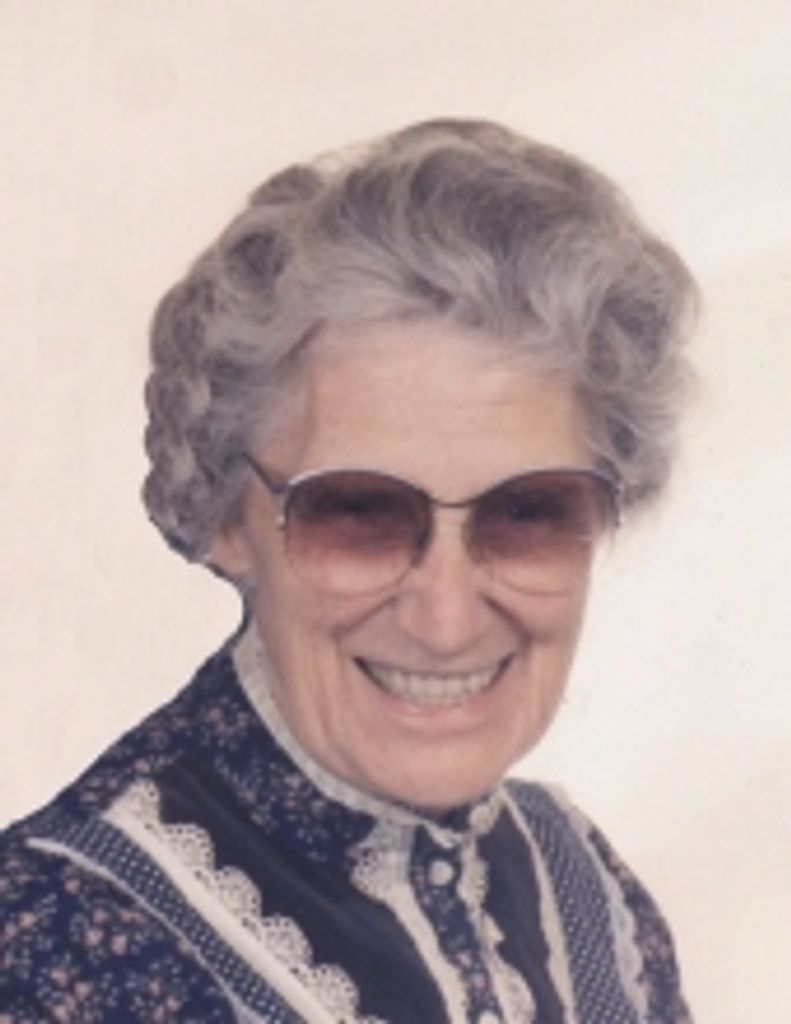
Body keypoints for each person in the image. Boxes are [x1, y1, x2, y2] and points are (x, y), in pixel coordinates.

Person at [1, 118, 697, 1023]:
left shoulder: (583, 894)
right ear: (224, 514)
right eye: (360, 513)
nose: (445, 620)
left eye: (528, 512)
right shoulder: (55, 942)